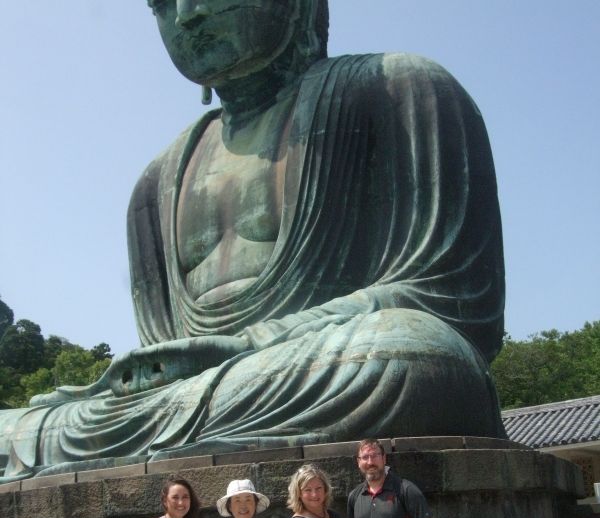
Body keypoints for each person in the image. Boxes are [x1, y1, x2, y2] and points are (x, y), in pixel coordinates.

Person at [0, 0, 505, 482]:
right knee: (13, 430)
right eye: (161, 3)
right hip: (210, 394)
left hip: (328, 363)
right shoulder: (155, 183)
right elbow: (161, 357)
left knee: (415, 356)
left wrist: (248, 344)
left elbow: (456, 302)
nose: (188, 15)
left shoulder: (397, 89)